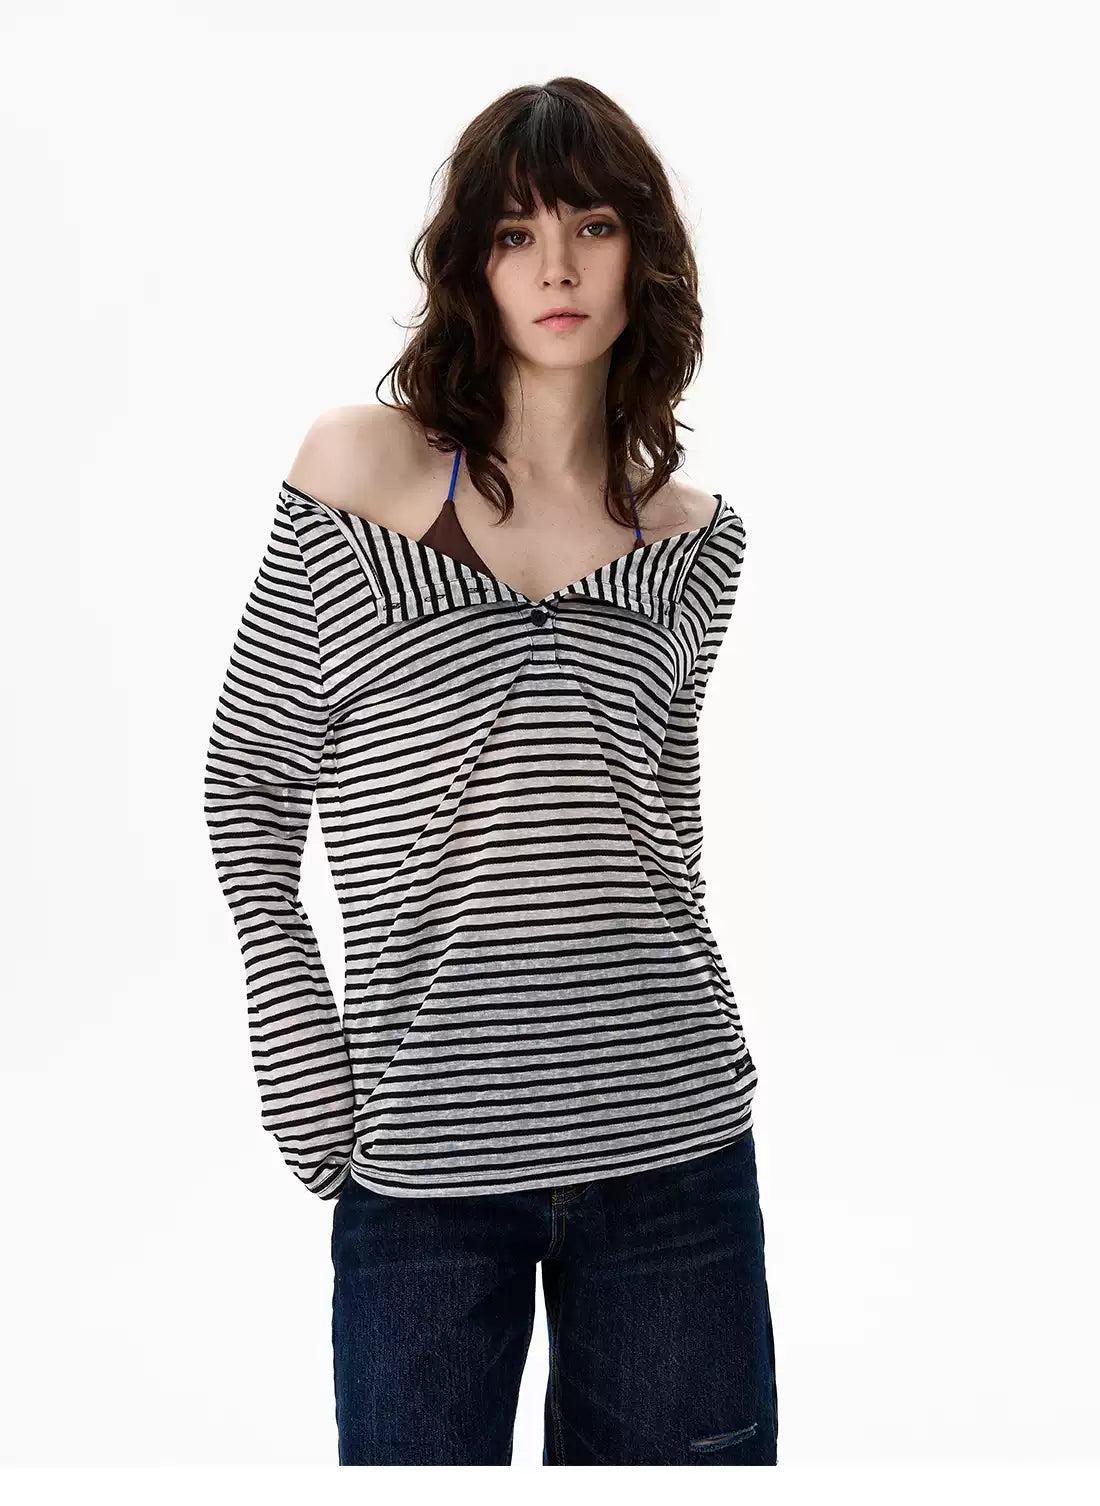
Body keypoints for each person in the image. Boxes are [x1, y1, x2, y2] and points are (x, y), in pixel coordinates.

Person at [204, 75, 778, 1466]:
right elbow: (250, 783)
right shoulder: (362, 473)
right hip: (423, 1153)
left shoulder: (695, 536)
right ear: (471, 263)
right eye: (517, 234)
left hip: (674, 1143)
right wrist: (300, 1054)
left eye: (593, 226)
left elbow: (669, 829)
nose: (558, 268)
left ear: (644, 255)